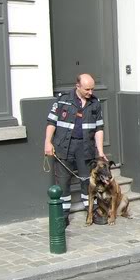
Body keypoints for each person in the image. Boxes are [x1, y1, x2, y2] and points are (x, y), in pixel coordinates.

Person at [44, 73, 106, 226]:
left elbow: (99, 128)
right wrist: (47, 143)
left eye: (92, 89)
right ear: (77, 86)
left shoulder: (95, 103)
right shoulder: (63, 100)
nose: (90, 92)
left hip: (85, 148)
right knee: (63, 183)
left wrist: (100, 151)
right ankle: (63, 215)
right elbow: (51, 122)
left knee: (88, 182)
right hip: (64, 147)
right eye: (87, 89)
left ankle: (91, 211)